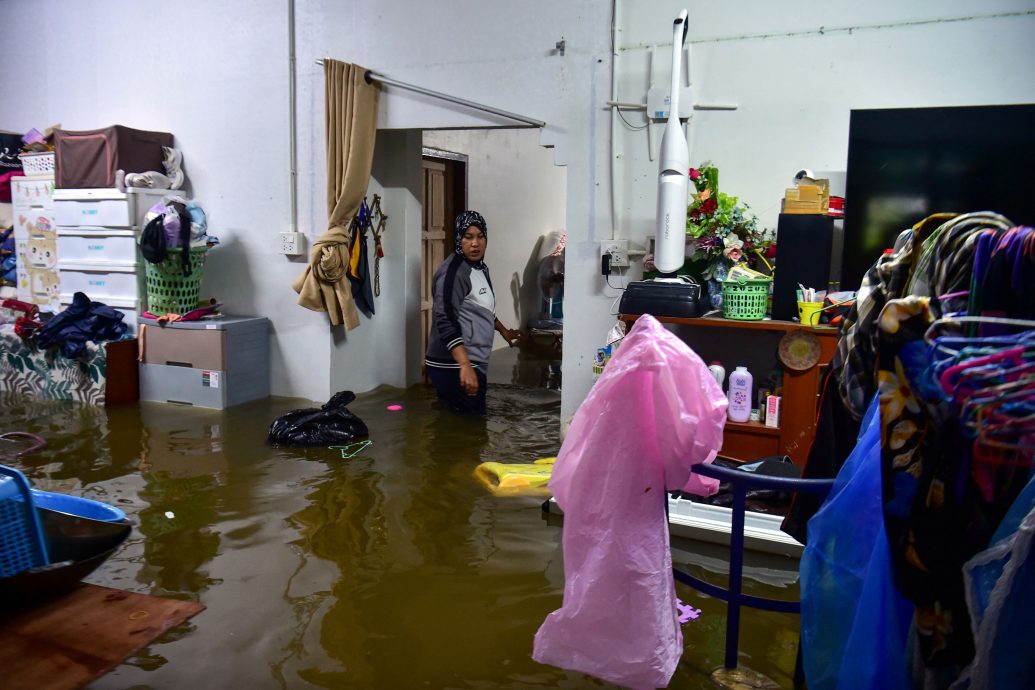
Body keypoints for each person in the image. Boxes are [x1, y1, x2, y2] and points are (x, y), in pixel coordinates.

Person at [425, 210, 522, 414]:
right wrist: (465, 364)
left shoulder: (479, 268)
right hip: (453, 365)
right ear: (459, 239)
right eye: (468, 237)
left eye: (480, 237)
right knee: (472, 431)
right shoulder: (453, 272)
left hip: (470, 362)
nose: (475, 243)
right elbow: (445, 319)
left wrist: (503, 330)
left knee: (458, 425)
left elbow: (482, 308)